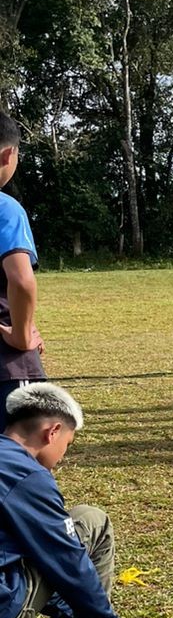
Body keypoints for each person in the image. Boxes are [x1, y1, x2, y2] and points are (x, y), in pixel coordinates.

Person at [0, 383, 147, 618]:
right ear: (52, 432)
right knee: (91, 520)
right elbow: (70, 565)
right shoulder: (27, 475)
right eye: (68, 443)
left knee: (36, 545)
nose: (63, 455)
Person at [0, 112, 47, 416]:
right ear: (9, 154)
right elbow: (20, 280)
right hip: (6, 367)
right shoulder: (6, 209)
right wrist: (21, 331)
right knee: (19, 458)